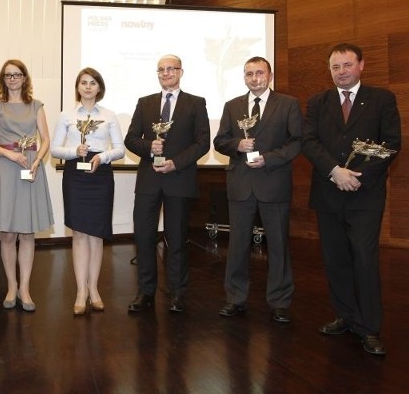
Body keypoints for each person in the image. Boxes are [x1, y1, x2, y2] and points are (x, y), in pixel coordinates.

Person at [302, 43, 401, 356]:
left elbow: (391, 144)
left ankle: (369, 328)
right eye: (335, 67)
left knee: (364, 258)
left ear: (361, 65)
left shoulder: (382, 99)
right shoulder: (318, 102)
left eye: (346, 65)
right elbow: (309, 141)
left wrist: (356, 177)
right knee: (336, 260)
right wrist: (335, 172)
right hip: (328, 192)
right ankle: (345, 315)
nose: (341, 72)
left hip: (365, 194)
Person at [213, 56, 302, 323]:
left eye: (259, 73)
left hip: (273, 182)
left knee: (278, 245)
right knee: (238, 245)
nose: (255, 78)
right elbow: (220, 141)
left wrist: (270, 158)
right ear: (244, 77)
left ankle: (280, 302)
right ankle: (235, 299)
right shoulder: (232, 106)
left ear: (270, 75)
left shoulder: (288, 104)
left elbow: (297, 141)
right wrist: (237, 146)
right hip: (240, 185)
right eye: (249, 74)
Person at [124, 54, 210, 313]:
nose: (166, 73)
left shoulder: (196, 103)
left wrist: (175, 162)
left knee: (177, 238)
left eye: (171, 69)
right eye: (161, 69)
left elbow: (202, 142)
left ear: (181, 71)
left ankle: (177, 293)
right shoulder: (145, 103)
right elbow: (130, 139)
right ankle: (146, 292)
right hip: (149, 181)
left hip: (179, 179)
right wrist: (149, 146)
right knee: (144, 236)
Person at [50, 68, 125, 315]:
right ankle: (81, 291)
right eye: (83, 82)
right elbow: (54, 150)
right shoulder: (67, 115)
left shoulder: (109, 115)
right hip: (75, 175)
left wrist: (101, 157)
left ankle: (94, 289)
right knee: (80, 234)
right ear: (78, 87)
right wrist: (75, 152)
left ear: (99, 87)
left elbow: (120, 149)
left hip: (100, 174)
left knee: (96, 235)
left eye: (93, 83)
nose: (88, 87)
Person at [0, 59, 54, 312]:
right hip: (6, 167)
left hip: (30, 168)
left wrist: (37, 162)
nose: (12, 78)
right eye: (8, 75)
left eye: (17, 74)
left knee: (27, 232)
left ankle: (25, 287)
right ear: (3, 79)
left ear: (25, 78)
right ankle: (11, 286)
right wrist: (9, 154)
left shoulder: (37, 106)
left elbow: (45, 139)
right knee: (8, 232)